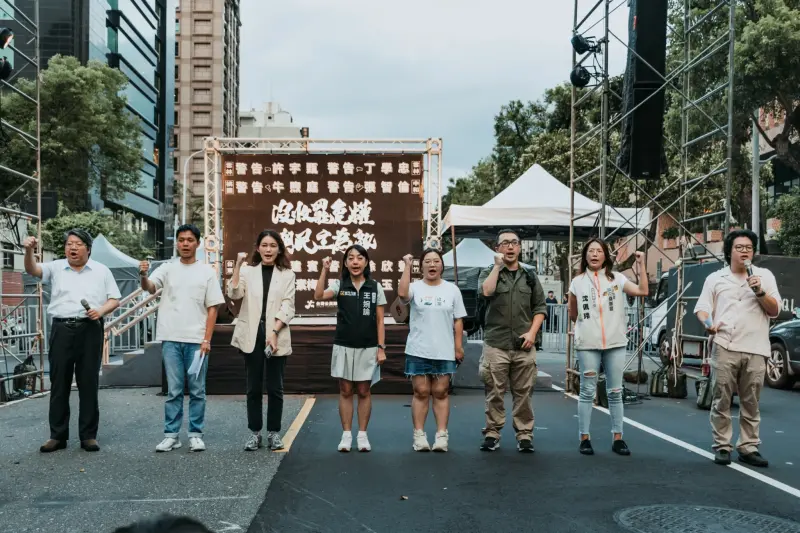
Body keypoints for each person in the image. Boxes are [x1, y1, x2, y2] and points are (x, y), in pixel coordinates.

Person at [23, 229, 121, 453]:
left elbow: (114, 299)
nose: (72, 248)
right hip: (61, 329)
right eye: (69, 244)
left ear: (88, 248)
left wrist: (100, 311)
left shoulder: (101, 270)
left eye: (77, 244)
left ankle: (88, 436)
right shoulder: (56, 267)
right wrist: (28, 250)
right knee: (59, 383)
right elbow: (32, 269)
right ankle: (57, 436)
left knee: (88, 383)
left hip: (90, 328)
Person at [694, 229, 780, 467]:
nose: (744, 251)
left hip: (756, 347)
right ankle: (722, 445)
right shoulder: (715, 278)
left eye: (748, 248)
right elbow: (702, 308)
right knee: (721, 397)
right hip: (725, 344)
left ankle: (748, 447)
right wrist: (708, 324)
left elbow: (774, 310)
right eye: (739, 247)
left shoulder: (765, 276)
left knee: (751, 400)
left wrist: (759, 290)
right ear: (729, 251)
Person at [139, 224, 225, 453]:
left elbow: (213, 308)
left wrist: (207, 339)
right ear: (176, 243)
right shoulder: (167, 269)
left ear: (197, 243)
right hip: (170, 337)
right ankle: (172, 435)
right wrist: (143, 275)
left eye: (189, 240)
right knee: (174, 390)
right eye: (181, 240)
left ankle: (196, 434)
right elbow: (149, 288)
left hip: (197, 340)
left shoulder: (207, 272)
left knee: (197, 390)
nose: (185, 244)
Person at [567, 239, 648, 456]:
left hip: (615, 343)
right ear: (585, 256)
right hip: (588, 344)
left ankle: (618, 437)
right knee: (586, 391)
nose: (594, 254)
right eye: (590, 251)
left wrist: (641, 265)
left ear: (605, 256)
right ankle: (584, 437)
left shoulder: (617, 279)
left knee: (615, 391)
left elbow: (642, 291)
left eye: (599, 251)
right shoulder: (577, 282)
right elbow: (573, 313)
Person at [477, 229, 547, 453]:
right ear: (497, 248)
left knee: (524, 392)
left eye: (514, 243)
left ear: (519, 247)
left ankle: (524, 434)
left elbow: (540, 307)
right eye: (504, 243)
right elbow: (486, 292)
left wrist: (532, 333)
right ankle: (492, 432)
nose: (509, 247)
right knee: (494, 392)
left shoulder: (529, 276)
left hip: (524, 345)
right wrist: (497, 267)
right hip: (496, 343)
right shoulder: (489, 272)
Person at [227, 229, 296, 451]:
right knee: (253, 387)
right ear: (258, 248)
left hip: (276, 333)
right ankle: (254, 433)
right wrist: (237, 265)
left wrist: (274, 332)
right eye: (264, 245)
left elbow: (288, 306)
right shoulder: (248, 271)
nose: (268, 250)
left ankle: (274, 433)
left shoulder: (287, 274)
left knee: (276, 388)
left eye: (273, 246)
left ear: (279, 249)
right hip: (252, 335)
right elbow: (234, 294)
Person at [314, 244, 386, 452]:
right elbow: (318, 295)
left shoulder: (375, 286)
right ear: (345, 263)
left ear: (366, 262)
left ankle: (362, 435)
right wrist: (324, 269)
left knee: (364, 390)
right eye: (351, 258)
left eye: (359, 258)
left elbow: (380, 321)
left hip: (368, 346)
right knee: (345, 390)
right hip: (344, 345)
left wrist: (381, 347)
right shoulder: (339, 285)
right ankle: (346, 435)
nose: (355, 262)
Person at [397, 249, 466, 452]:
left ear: (442, 266)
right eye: (427, 261)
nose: (432, 264)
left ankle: (441, 435)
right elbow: (402, 295)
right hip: (418, 348)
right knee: (421, 392)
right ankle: (419, 435)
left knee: (441, 392)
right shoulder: (414, 287)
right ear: (422, 266)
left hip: (444, 350)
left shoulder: (452, 290)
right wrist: (407, 266)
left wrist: (458, 346)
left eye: (436, 261)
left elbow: (458, 319)